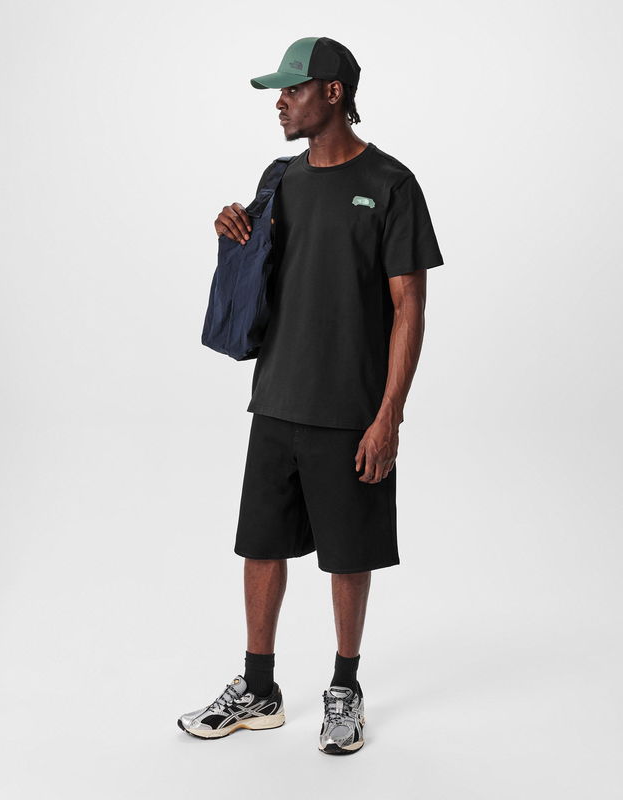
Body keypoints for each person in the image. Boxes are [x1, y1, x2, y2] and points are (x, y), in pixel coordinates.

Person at [178, 36, 444, 755]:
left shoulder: (391, 184)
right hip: (276, 397)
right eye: (279, 91)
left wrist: (388, 417)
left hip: (350, 408)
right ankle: (258, 688)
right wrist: (233, 231)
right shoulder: (280, 179)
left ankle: (345, 688)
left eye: (293, 89)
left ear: (333, 92)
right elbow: (261, 268)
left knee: (348, 555)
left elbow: (410, 307)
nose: (280, 102)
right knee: (260, 545)